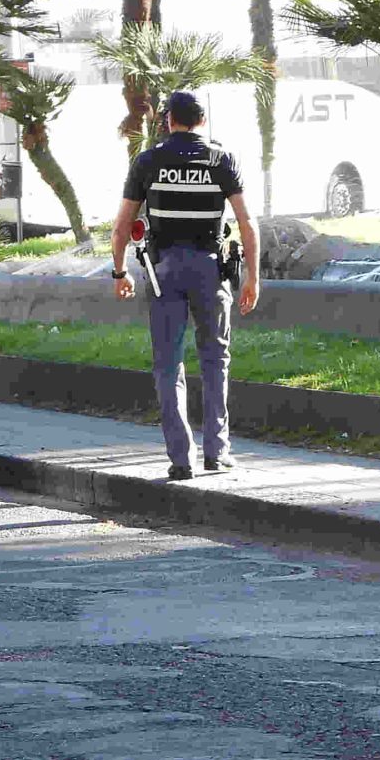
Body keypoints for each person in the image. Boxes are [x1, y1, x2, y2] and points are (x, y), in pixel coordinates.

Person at [113, 90, 260, 479]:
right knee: (215, 359)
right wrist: (253, 277)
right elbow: (247, 223)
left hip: (164, 272)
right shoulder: (221, 160)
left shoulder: (148, 161)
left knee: (167, 363)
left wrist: (119, 272)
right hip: (210, 270)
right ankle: (217, 452)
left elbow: (123, 225)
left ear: (168, 121)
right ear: (202, 121)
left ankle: (180, 459)